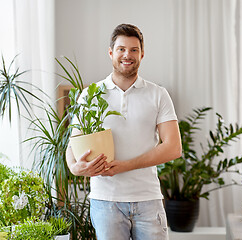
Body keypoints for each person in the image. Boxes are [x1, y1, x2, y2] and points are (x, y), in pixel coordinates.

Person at [66, 23, 182, 240]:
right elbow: (73, 145)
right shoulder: (90, 95)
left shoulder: (158, 94)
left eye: (134, 50)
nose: (127, 55)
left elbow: (173, 148)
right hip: (105, 201)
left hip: (148, 199)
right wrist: (75, 167)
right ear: (111, 53)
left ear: (142, 54)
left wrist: (125, 166)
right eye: (121, 49)